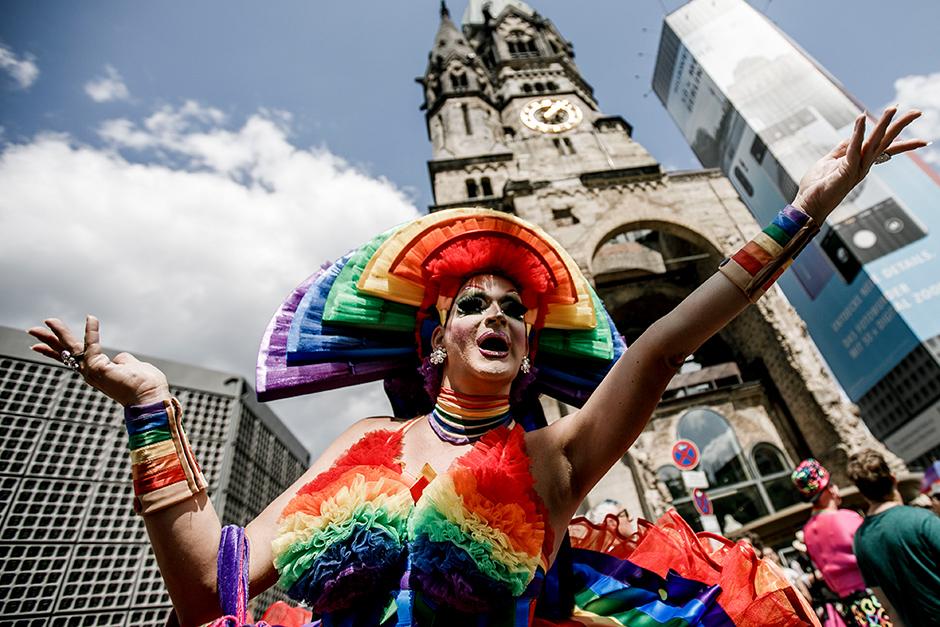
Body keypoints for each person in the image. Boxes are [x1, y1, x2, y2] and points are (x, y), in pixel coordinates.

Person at [28, 108, 924, 626]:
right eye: (473, 304)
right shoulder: (361, 452)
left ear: (531, 350)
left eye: (515, 309)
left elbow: (668, 340)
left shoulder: (553, 458)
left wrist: (808, 207)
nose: (496, 313)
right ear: (434, 340)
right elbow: (209, 586)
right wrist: (149, 406)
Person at [790, 458, 891, 626]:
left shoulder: (807, 532)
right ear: (828, 490)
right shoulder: (847, 518)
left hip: (849, 609)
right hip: (876, 600)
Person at [847, 449, 940, 627]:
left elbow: (887, 606)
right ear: (893, 479)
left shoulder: (861, 540)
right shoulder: (921, 520)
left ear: (863, 493)